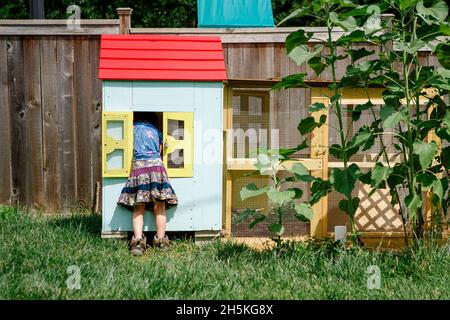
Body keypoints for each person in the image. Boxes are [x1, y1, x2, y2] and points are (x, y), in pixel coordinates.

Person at [117, 112, 178, 256]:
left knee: (138, 207)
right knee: (160, 205)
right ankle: (161, 240)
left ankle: (138, 241)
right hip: (157, 167)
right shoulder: (157, 131)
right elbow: (163, 148)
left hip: (139, 169)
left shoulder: (129, 128)